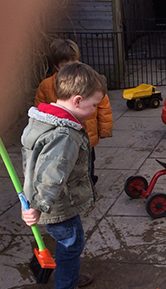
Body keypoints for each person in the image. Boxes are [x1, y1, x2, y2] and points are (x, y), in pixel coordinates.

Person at [21, 62, 106, 289]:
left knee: (71, 241)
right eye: (93, 105)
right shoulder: (64, 135)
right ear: (77, 101)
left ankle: (68, 276)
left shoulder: (42, 120)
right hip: (57, 204)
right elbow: (51, 175)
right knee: (72, 244)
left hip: (53, 201)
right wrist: (39, 205)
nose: (94, 110)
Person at [34, 38, 113, 186]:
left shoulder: (90, 82)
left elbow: (103, 105)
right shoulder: (46, 85)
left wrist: (105, 130)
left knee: (87, 162)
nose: (71, 69)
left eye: (75, 64)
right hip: (60, 136)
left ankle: (88, 185)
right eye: (65, 66)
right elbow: (40, 110)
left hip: (86, 135)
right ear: (57, 66)